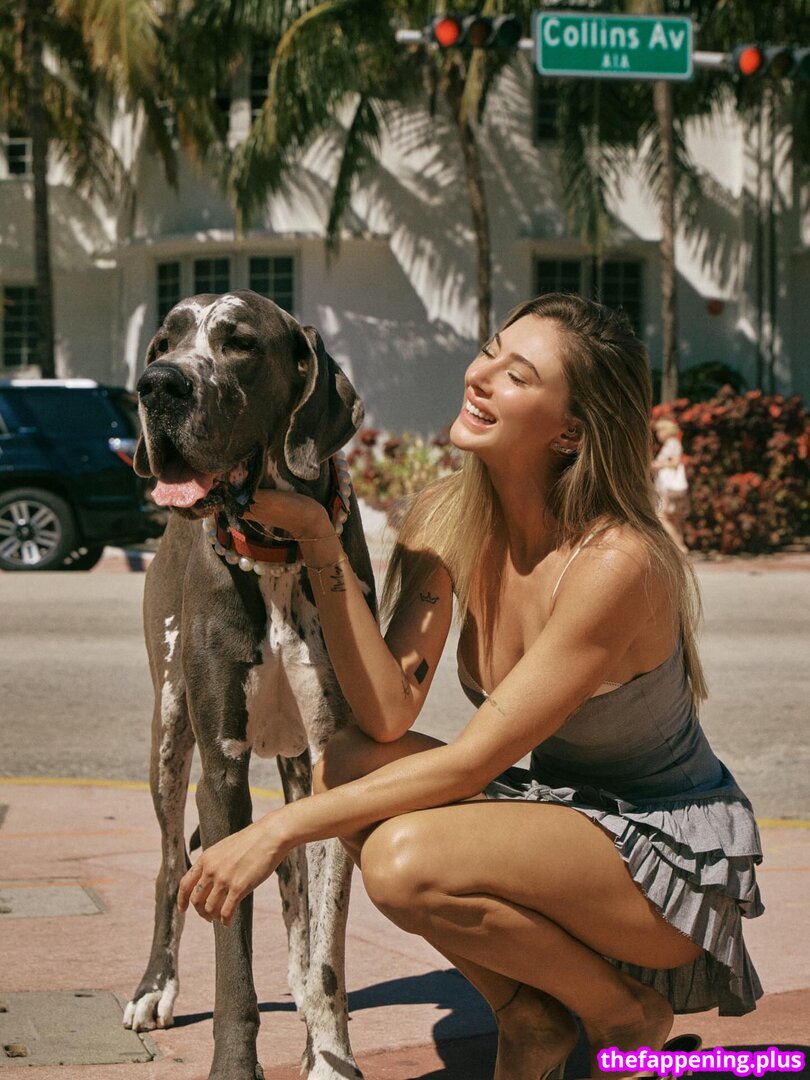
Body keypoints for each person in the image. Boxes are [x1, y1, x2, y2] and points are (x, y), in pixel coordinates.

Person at [178, 294, 763, 1080]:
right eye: (490, 351)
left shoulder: (617, 563)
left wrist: (275, 831)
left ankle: (625, 1013)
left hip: (663, 854)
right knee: (345, 764)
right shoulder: (447, 515)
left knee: (403, 862)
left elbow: (470, 765)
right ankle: (530, 1015)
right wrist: (318, 535)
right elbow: (386, 712)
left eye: (518, 376)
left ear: (571, 432)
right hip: (560, 813)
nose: (482, 376)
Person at [652, 418, 690, 555]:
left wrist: (656, 465)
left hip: (668, 487)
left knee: (662, 516)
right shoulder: (672, 443)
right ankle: (680, 546)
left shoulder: (672, 443)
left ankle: (679, 547)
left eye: (660, 431)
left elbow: (675, 463)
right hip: (671, 488)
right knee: (674, 518)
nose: (658, 434)